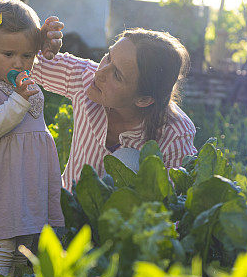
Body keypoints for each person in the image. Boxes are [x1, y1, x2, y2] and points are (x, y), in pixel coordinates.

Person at [0, 0, 64, 277]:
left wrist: (47, 45)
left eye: (28, 55)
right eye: (9, 54)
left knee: (24, 250)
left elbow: (43, 60)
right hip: (1, 187)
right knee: (1, 250)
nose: (20, 63)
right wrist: (18, 100)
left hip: (29, 184)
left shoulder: (25, 79)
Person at [34, 21, 197, 189]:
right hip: (68, 208)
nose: (100, 72)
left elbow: (175, 199)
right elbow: (20, 62)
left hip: (125, 213)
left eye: (117, 75)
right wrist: (34, 41)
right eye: (108, 57)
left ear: (144, 100)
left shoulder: (176, 133)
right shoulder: (84, 76)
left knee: (129, 159)